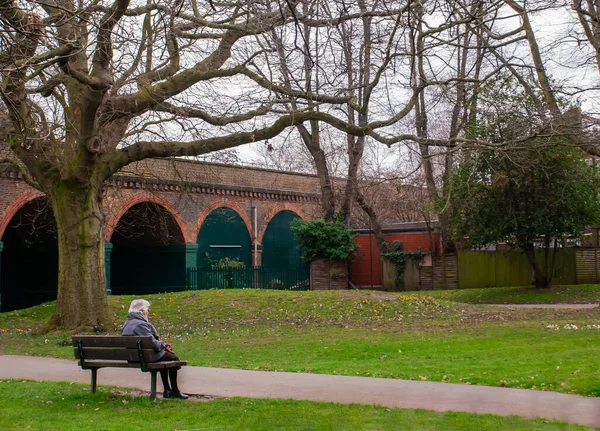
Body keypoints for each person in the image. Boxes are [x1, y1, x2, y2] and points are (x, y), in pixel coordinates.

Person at [121, 298, 189, 399]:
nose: (148, 312)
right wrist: (164, 346)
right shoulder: (140, 324)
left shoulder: (127, 323)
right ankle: (174, 390)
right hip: (144, 357)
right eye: (147, 309)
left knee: (165, 358)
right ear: (142, 311)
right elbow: (153, 343)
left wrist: (162, 346)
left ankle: (167, 390)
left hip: (133, 356)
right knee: (173, 358)